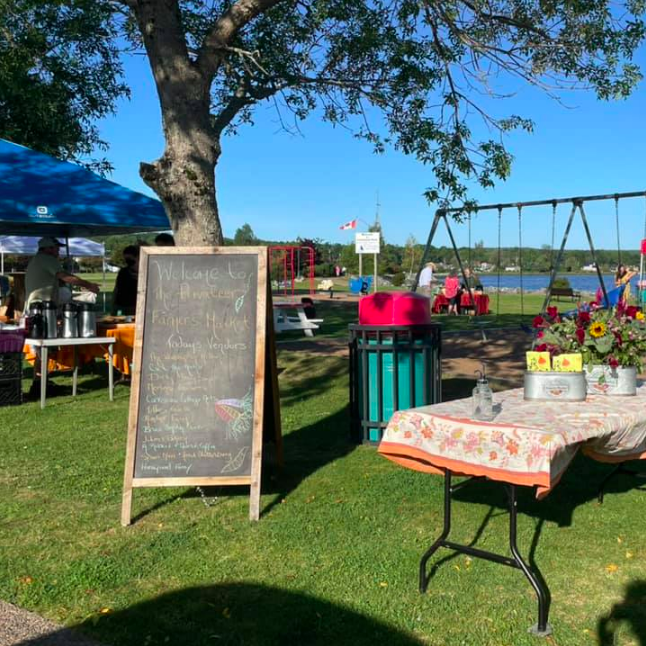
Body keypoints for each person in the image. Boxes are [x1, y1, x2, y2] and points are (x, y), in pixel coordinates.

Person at [25, 237, 100, 308]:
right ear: (49, 248)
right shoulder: (47, 259)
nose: (58, 252)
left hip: (36, 306)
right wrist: (89, 285)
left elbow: (53, 280)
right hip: (42, 308)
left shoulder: (37, 259)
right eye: (57, 249)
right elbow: (66, 277)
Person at [111, 245, 140, 316]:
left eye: (129, 258)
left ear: (137, 257)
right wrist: (113, 305)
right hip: (121, 305)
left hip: (135, 305)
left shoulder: (144, 273)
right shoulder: (123, 272)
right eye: (126, 259)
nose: (128, 261)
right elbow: (116, 289)